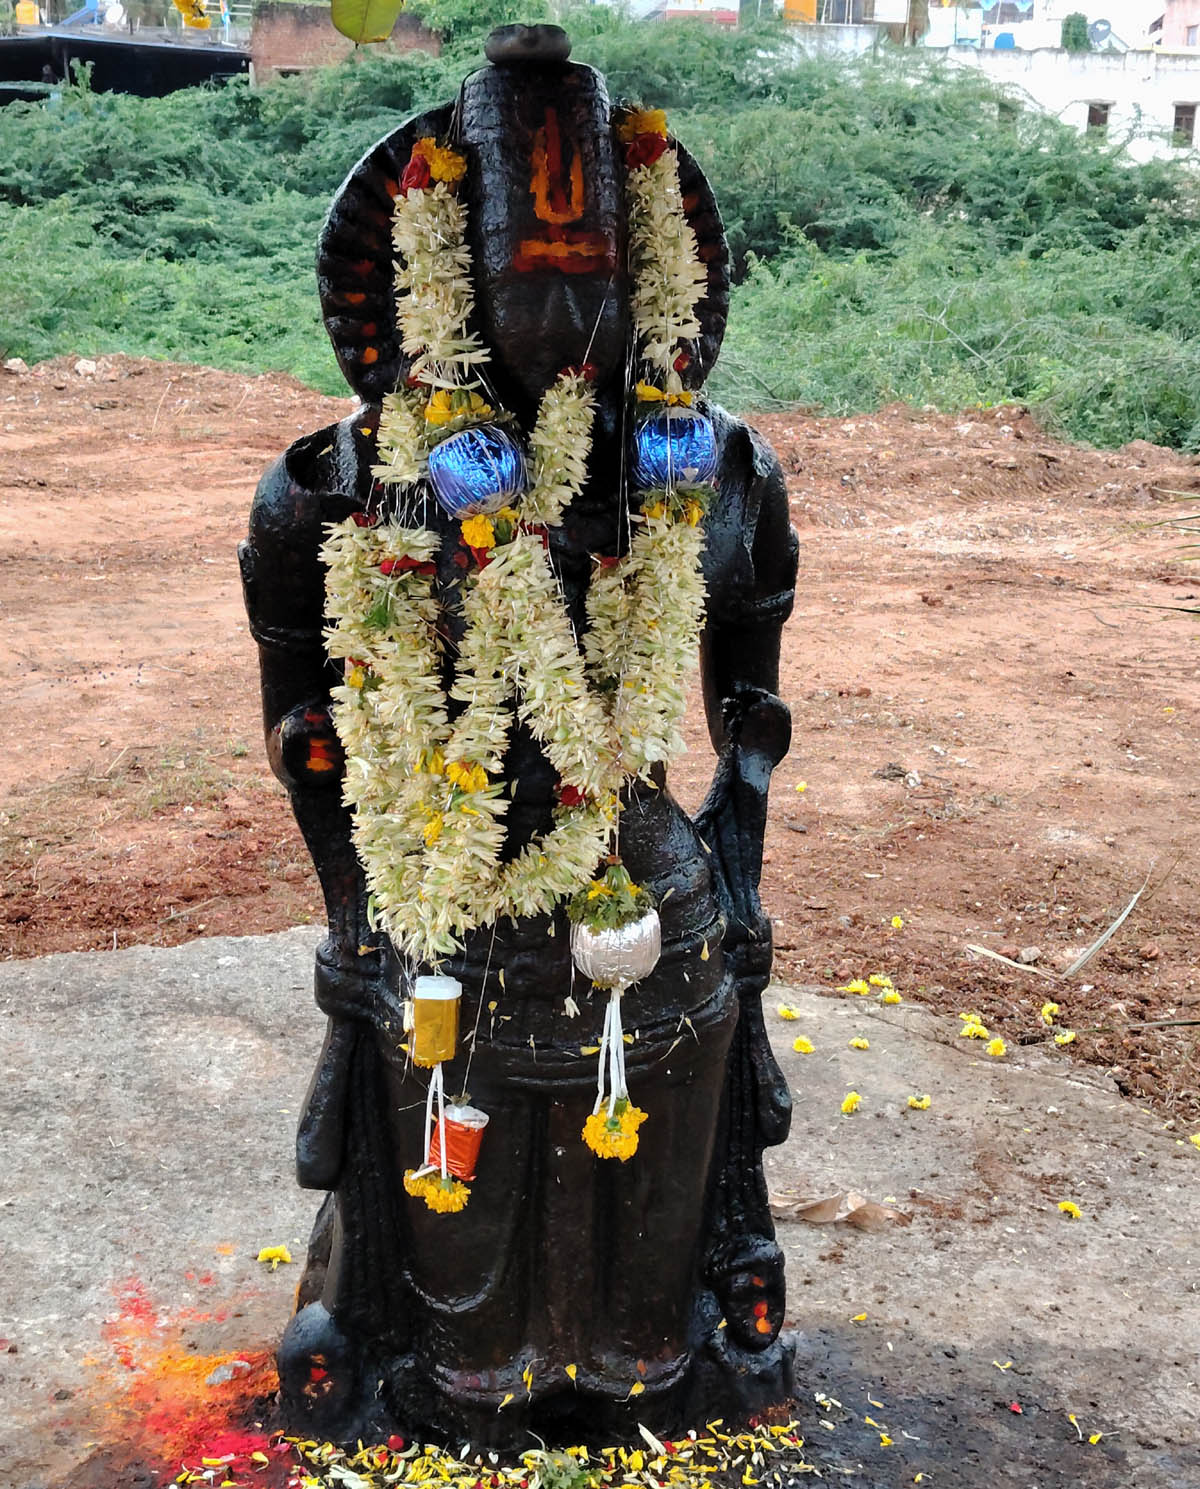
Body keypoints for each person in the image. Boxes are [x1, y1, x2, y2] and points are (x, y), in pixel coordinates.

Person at [241, 24, 798, 1447]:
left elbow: (751, 712)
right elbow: (302, 715)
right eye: (525, 281)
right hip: (448, 884)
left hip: (647, 886)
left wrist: (737, 876)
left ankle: (644, 1366)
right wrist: (358, 903)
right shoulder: (344, 483)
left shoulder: (713, 463)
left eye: (593, 282)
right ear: (447, 272)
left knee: (644, 1315)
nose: (565, 322)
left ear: (643, 267)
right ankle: (461, 1381)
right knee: (463, 1305)